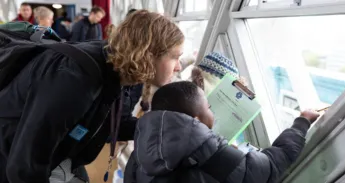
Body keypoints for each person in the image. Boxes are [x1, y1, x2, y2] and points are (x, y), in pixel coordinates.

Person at [0, 10, 183, 183]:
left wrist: (165, 125)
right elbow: (24, 167)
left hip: (50, 156)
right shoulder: (75, 80)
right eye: (175, 57)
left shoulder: (119, 69)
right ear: (148, 55)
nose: (179, 67)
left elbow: (114, 125)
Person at [124, 81, 320, 183]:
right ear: (196, 120)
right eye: (209, 107)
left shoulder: (139, 152)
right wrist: (302, 122)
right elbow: (273, 164)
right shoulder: (217, 156)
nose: (213, 112)